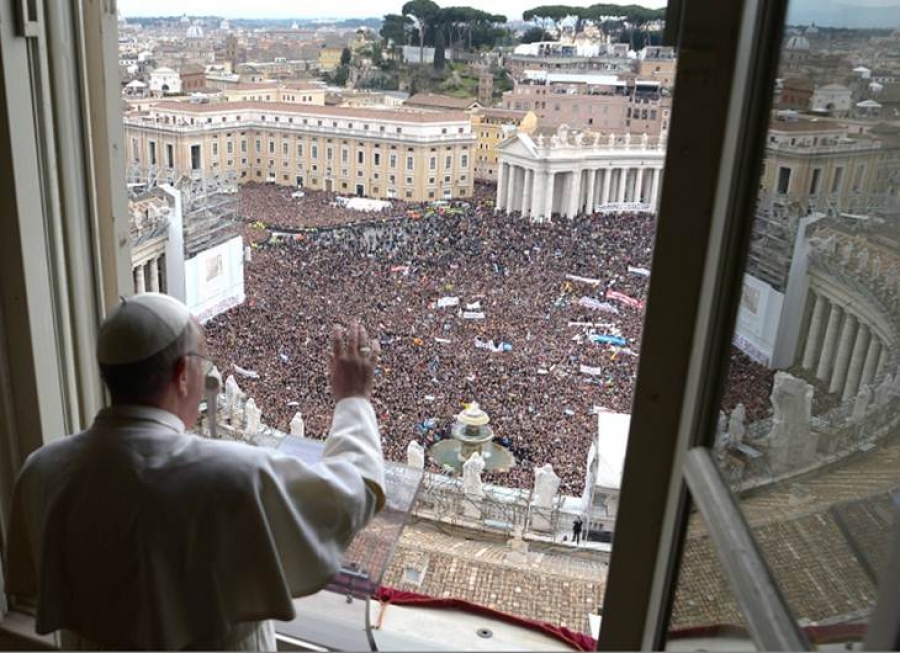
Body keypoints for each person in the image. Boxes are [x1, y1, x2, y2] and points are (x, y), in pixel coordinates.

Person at [7, 292, 385, 650]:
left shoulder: (42, 470)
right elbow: (352, 492)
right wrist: (353, 399)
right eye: (202, 362)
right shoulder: (236, 476)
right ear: (183, 374)